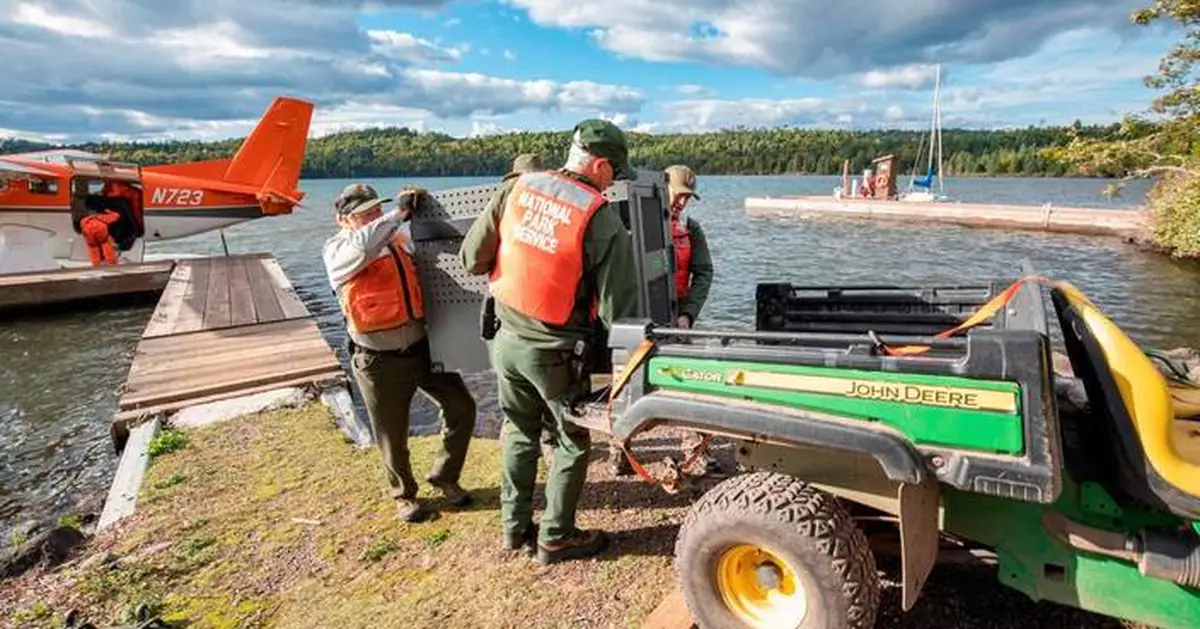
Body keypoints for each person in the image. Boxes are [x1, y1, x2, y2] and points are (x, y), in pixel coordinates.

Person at [459, 119, 639, 564]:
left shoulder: (516, 188)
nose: (614, 181)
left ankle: (514, 528)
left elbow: (471, 259)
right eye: (615, 172)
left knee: (519, 430)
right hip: (556, 353)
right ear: (599, 165)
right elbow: (620, 314)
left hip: (504, 342)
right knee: (570, 440)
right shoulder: (601, 218)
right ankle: (557, 537)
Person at [324, 183, 478, 523]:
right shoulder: (337, 250)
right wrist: (399, 213)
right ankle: (404, 496)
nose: (374, 217)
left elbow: (433, 251)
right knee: (391, 433)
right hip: (378, 359)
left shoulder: (397, 240)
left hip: (423, 349)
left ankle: (445, 475)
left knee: (462, 407)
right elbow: (364, 246)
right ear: (342, 220)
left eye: (376, 210)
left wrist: (426, 210)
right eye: (364, 214)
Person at [607, 164, 718, 476]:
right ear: (661, 189)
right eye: (678, 195)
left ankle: (696, 449)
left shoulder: (691, 229)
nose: (682, 202)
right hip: (638, 317)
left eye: (688, 198)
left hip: (675, 315)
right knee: (624, 381)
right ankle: (620, 449)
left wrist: (687, 313)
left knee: (688, 381)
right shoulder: (630, 221)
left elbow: (704, 273)